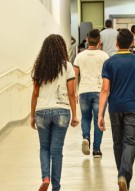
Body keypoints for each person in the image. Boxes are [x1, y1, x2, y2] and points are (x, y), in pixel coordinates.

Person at [98, 28, 135, 191]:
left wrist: (100, 114)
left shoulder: (109, 63)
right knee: (131, 142)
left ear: (117, 43)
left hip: (115, 107)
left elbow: (105, 90)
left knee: (118, 143)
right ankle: (123, 175)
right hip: (133, 107)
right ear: (132, 43)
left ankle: (122, 176)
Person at [30, 34, 79, 191]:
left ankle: (45, 177)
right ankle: (56, 187)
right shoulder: (67, 66)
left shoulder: (39, 67)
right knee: (56, 151)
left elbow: (35, 93)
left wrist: (32, 116)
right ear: (61, 48)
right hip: (61, 111)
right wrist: (75, 115)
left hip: (42, 112)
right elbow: (71, 93)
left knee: (44, 148)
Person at [73, 29, 109, 158]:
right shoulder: (104, 56)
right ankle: (97, 150)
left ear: (87, 40)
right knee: (99, 120)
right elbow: (108, 76)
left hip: (84, 91)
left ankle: (86, 138)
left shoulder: (79, 56)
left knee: (86, 118)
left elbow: (75, 75)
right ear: (99, 41)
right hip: (100, 92)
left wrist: (75, 92)